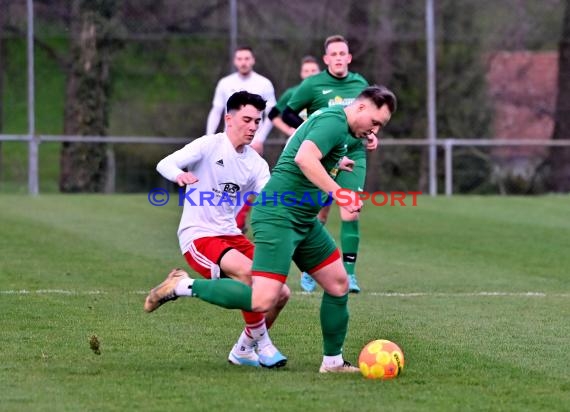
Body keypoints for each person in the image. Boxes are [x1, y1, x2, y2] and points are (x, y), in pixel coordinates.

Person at [144, 85, 397, 373]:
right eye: (375, 122)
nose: (375, 130)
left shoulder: (333, 134)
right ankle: (181, 287)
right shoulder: (333, 121)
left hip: (299, 219)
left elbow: (290, 166)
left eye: (257, 122)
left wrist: (336, 164)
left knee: (336, 284)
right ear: (361, 107)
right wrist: (339, 193)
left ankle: (330, 362)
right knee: (262, 296)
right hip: (268, 220)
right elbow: (303, 158)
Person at [145, 91, 290, 369]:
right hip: (199, 235)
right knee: (250, 275)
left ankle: (243, 350)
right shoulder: (210, 145)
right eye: (247, 119)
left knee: (280, 292)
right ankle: (264, 344)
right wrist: (180, 175)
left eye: (257, 121)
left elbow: (270, 199)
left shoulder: (256, 163)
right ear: (229, 118)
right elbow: (165, 163)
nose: (252, 127)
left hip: (231, 235)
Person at [282, 35, 371, 294]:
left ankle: (350, 275)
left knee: (350, 210)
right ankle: (310, 270)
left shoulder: (360, 83)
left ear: (349, 57)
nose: (339, 58)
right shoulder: (313, 85)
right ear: (326, 59)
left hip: (354, 155)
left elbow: (368, 117)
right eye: (334, 54)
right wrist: (306, 131)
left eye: (343, 53)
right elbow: (288, 112)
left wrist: (371, 134)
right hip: (323, 157)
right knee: (317, 213)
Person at [205, 46, 277, 233]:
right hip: (227, 142)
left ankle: (239, 220)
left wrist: (260, 138)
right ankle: (226, 221)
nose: (243, 62)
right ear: (235, 61)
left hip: (252, 141)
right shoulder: (225, 83)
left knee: (249, 180)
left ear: (253, 60)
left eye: (247, 58)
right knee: (224, 182)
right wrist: (208, 137)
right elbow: (216, 110)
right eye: (239, 58)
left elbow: (272, 114)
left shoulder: (264, 83)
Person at [268, 55, 321, 136]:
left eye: (313, 70)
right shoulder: (291, 93)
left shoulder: (327, 92)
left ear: (320, 73)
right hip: (300, 140)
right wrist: (288, 130)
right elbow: (272, 115)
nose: (310, 74)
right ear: (301, 73)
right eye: (306, 71)